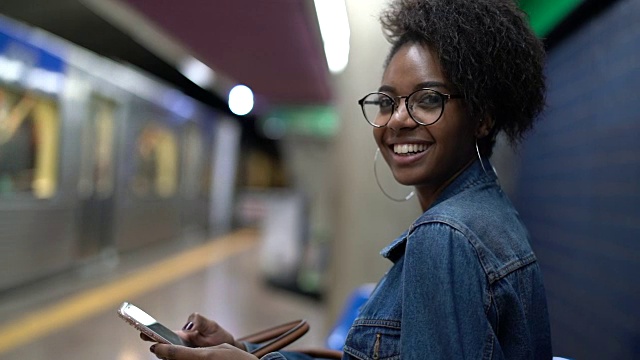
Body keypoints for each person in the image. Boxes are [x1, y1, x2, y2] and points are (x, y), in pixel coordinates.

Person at [146, 0, 552, 358]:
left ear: (483, 117)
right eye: (387, 101)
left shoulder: (446, 236)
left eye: (429, 99)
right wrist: (246, 353)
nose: (397, 120)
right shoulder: (493, 217)